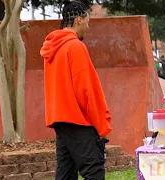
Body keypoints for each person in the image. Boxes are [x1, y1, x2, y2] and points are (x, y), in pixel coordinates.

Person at [39, 0, 112, 179]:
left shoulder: (52, 48)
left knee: (66, 172)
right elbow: (85, 90)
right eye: (87, 20)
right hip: (77, 118)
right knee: (94, 170)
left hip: (60, 118)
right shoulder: (75, 46)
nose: (88, 26)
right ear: (79, 19)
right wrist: (100, 123)